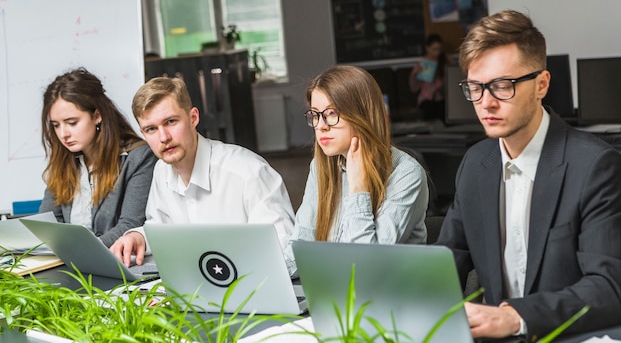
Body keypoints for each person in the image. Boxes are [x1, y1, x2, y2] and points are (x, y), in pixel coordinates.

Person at [435, 10, 621, 340]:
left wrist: (514, 318)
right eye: (475, 88)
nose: (486, 103)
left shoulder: (595, 166)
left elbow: (608, 287)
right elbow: (445, 264)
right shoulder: (475, 164)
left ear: (541, 84)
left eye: (502, 86)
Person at [110, 77, 295, 266]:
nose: (164, 137)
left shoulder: (248, 172)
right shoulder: (162, 170)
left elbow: (282, 248)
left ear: (193, 118)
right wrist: (138, 237)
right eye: (151, 129)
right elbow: (161, 229)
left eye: (171, 121)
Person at [283, 65, 429, 277]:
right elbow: (301, 246)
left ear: (363, 115)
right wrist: (261, 279)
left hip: (388, 302)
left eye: (331, 114)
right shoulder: (321, 167)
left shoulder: (406, 174)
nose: (321, 126)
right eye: (315, 115)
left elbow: (365, 268)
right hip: (335, 294)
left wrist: (358, 190)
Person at [39, 68, 157, 247]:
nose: (63, 134)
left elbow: (130, 225)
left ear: (97, 115)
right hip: (71, 266)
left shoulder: (138, 158)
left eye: (72, 123)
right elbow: (46, 224)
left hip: (118, 266)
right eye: (56, 125)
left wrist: (79, 253)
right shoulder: (63, 162)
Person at [409, 33, 449, 121]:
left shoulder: (444, 62)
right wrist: (414, 75)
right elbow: (414, 89)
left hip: (441, 97)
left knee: (443, 107)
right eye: (434, 49)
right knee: (429, 108)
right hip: (426, 98)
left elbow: (450, 83)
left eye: (439, 49)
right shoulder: (421, 64)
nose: (437, 52)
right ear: (427, 48)